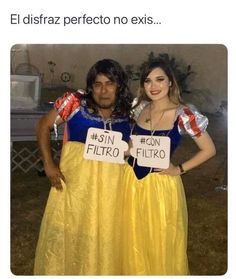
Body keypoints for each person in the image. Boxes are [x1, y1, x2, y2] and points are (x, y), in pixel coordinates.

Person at [34, 59, 133, 275]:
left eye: (110, 83)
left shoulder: (129, 112)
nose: (104, 91)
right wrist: (49, 164)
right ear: (91, 87)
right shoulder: (76, 104)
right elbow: (43, 125)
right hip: (75, 189)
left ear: (120, 86)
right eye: (98, 84)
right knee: (71, 233)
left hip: (112, 191)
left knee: (107, 235)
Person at [119, 58, 216, 275]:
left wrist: (178, 169)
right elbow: (131, 144)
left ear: (170, 82)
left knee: (159, 238)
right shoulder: (139, 108)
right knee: (131, 236)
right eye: (148, 81)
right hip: (130, 182)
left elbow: (209, 149)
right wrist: (125, 149)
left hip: (161, 187)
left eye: (159, 79)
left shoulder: (183, 114)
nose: (153, 86)